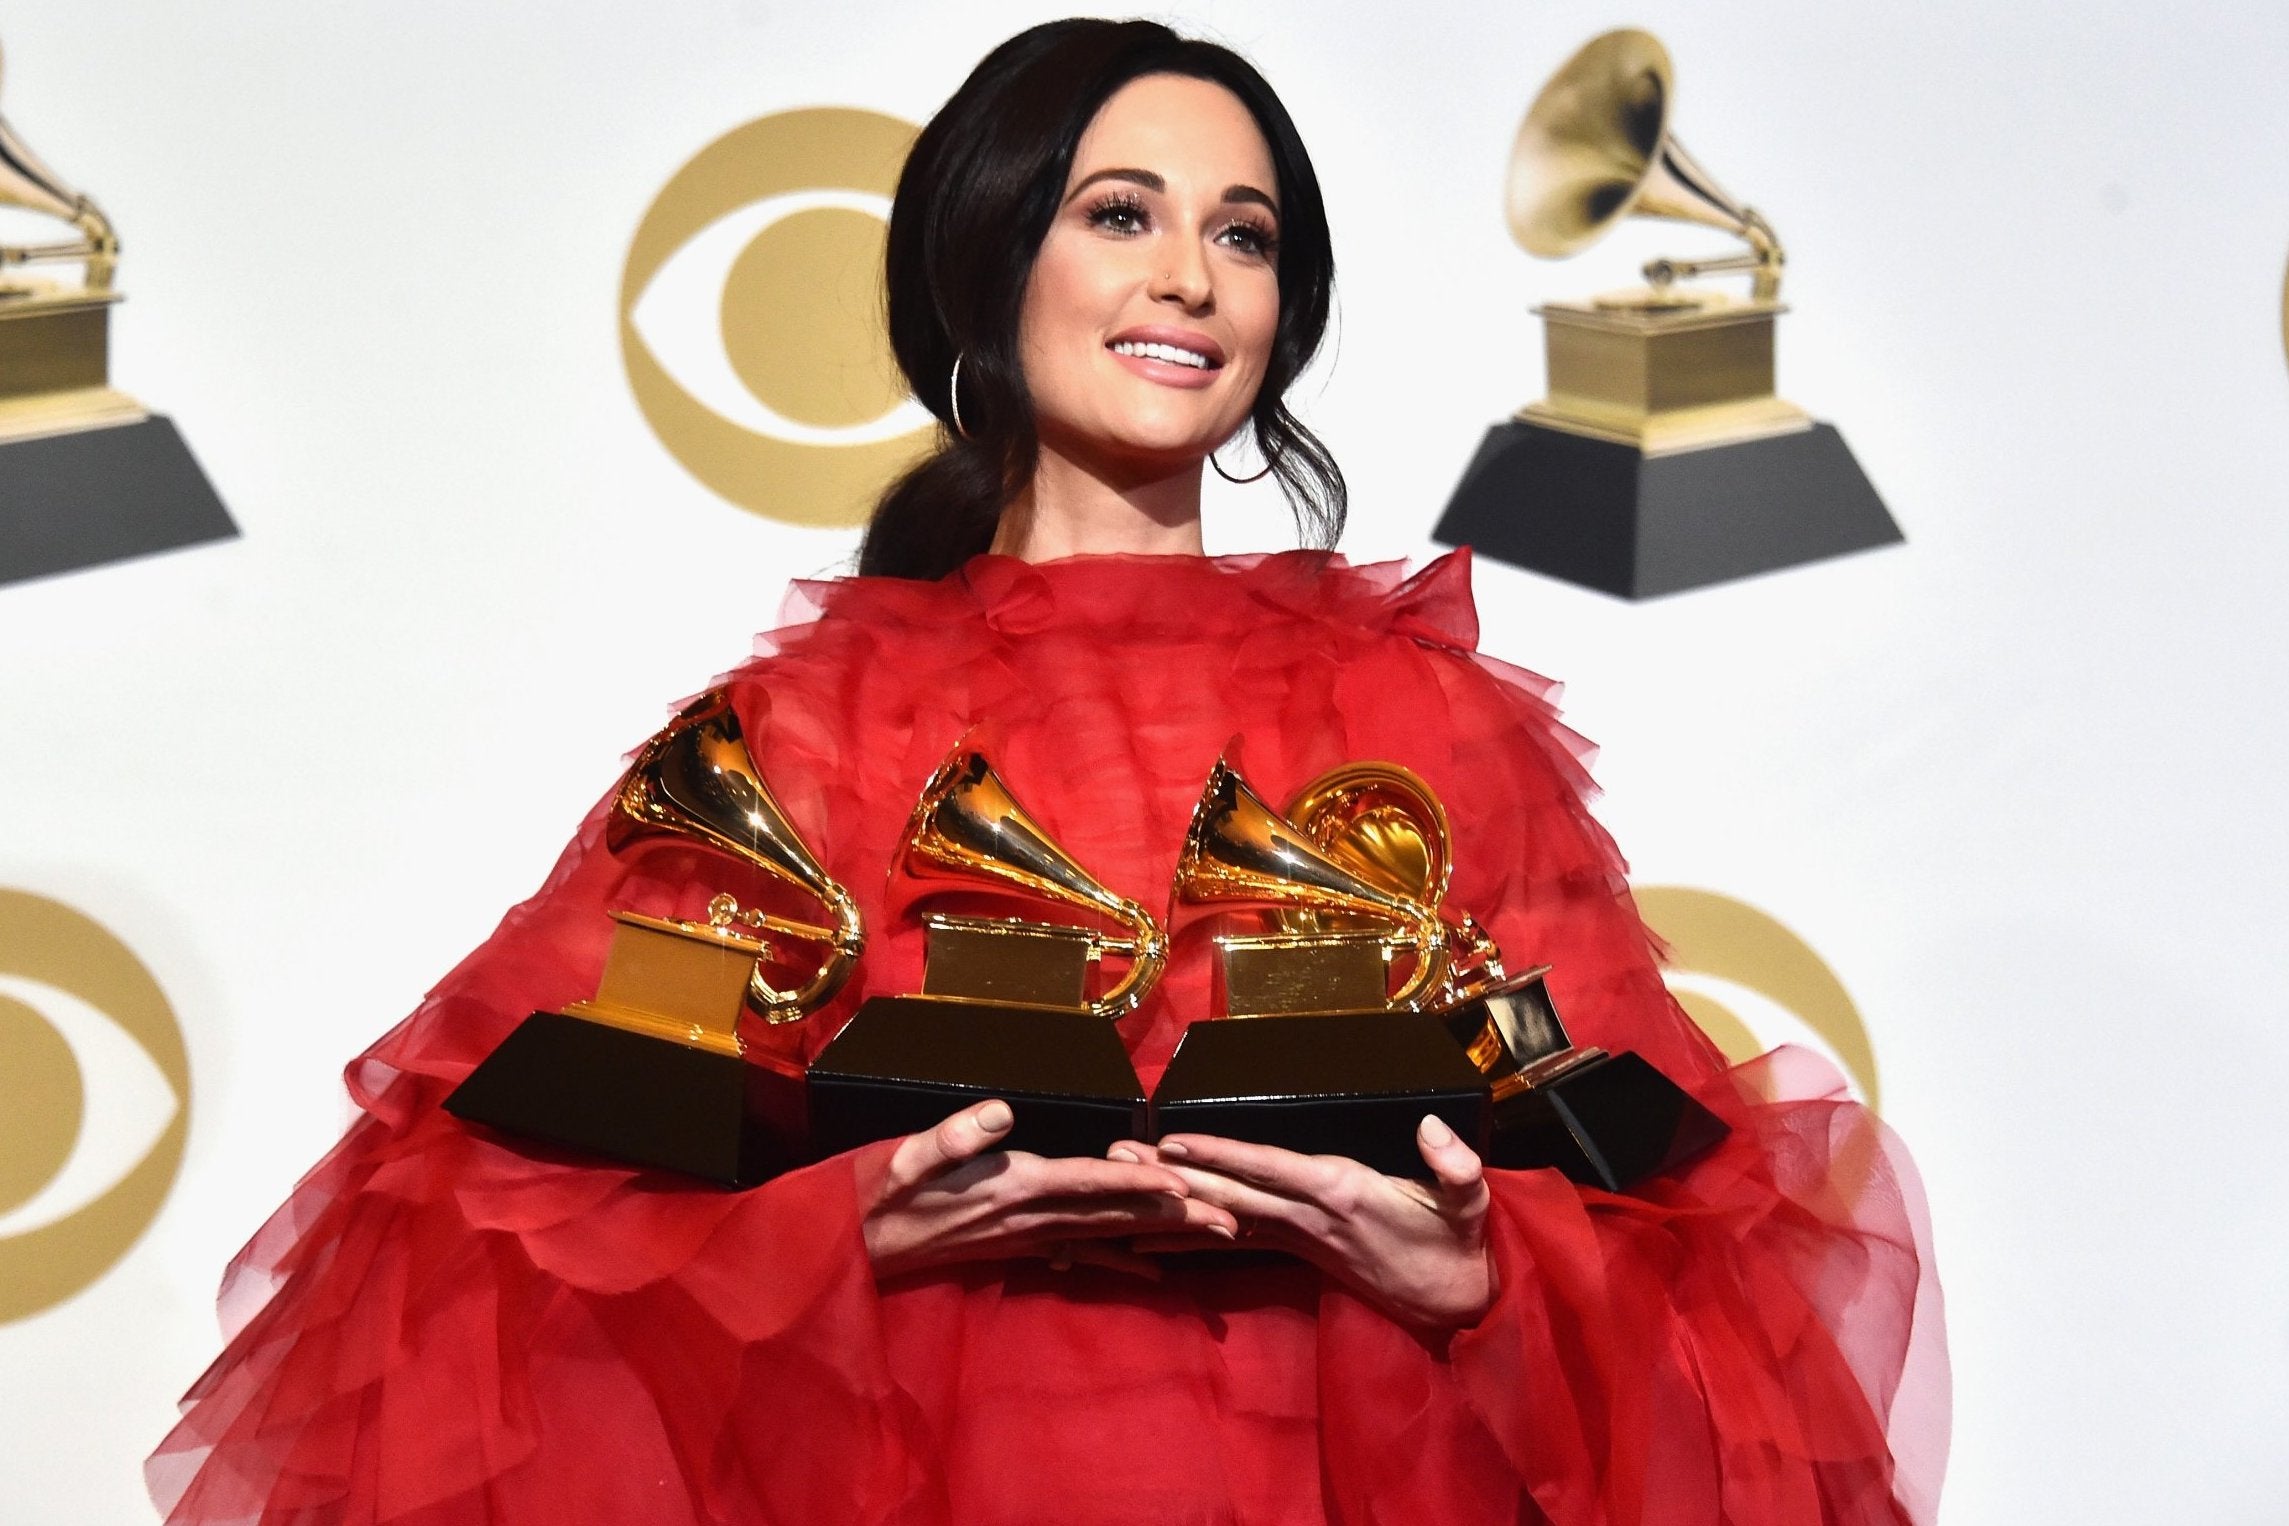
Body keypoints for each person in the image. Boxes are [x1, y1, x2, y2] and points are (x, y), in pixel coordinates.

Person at [150, 19, 1947, 1525]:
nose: (1187, 275)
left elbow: (1685, 1248)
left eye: (1242, 236)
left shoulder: (1438, 733)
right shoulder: (797, 745)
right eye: (1121, 213)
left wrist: (1480, 1275)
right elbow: (492, 1249)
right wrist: (835, 1232)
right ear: (991, 252)